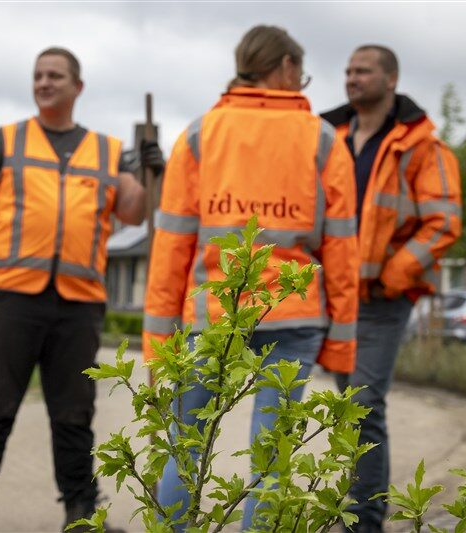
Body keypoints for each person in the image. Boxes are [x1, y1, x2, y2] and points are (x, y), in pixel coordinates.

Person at [142, 25, 360, 530]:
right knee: (273, 457)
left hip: (212, 315)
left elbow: (171, 245)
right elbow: (342, 248)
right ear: (284, 67)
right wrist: (342, 345)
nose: (300, 81)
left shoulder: (200, 134)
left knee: (185, 446)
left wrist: (156, 343)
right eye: (299, 72)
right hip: (294, 314)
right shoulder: (324, 140)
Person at [0, 47, 163, 533]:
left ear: (77, 86)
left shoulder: (106, 152)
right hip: (10, 297)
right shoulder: (5, 142)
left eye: (55, 76)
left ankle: (81, 513)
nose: (44, 82)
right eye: (38, 75)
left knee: (74, 415)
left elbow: (133, 211)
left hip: (78, 304)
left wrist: (152, 171)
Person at [321, 45, 462, 533]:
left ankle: (364, 522)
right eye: (347, 70)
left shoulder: (423, 146)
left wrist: (394, 275)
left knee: (360, 405)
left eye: (362, 70)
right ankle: (338, 509)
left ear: (391, 79)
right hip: (330, 294)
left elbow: (444, 222)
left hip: (382, 299)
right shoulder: (328, 136)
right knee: (339, 407)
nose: (351, 78)